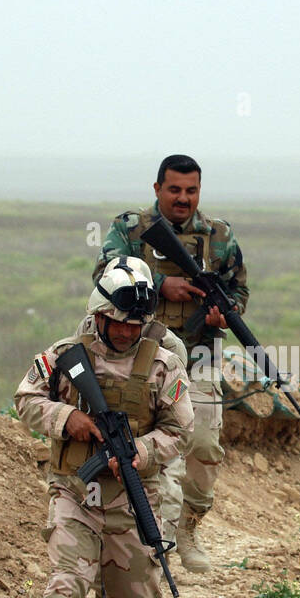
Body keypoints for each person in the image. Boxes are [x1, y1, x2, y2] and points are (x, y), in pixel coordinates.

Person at [14, 257, 193, 598]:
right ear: (98, 315)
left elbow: (181, 432)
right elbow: (26, 398)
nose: (128, 333)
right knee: (64, 587)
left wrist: (141, 451)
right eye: (118, 324)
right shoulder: (64, 355)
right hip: (74, 495)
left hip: (134, 504)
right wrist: (66, 417)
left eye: (136, 326)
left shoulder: (164, 365)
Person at [93, 154, 247, 575]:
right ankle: (143, 538)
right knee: (146, 448)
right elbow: (105, 272)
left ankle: (188, 530)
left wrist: (223, 312)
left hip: (199, 356)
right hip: (140, 354)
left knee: (203, 445)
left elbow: (239, 290)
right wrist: (162, 286)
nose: (183, 198)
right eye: (175, 189)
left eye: (191, 191)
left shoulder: (219, 235)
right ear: (157, 188)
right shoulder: (130, 229)